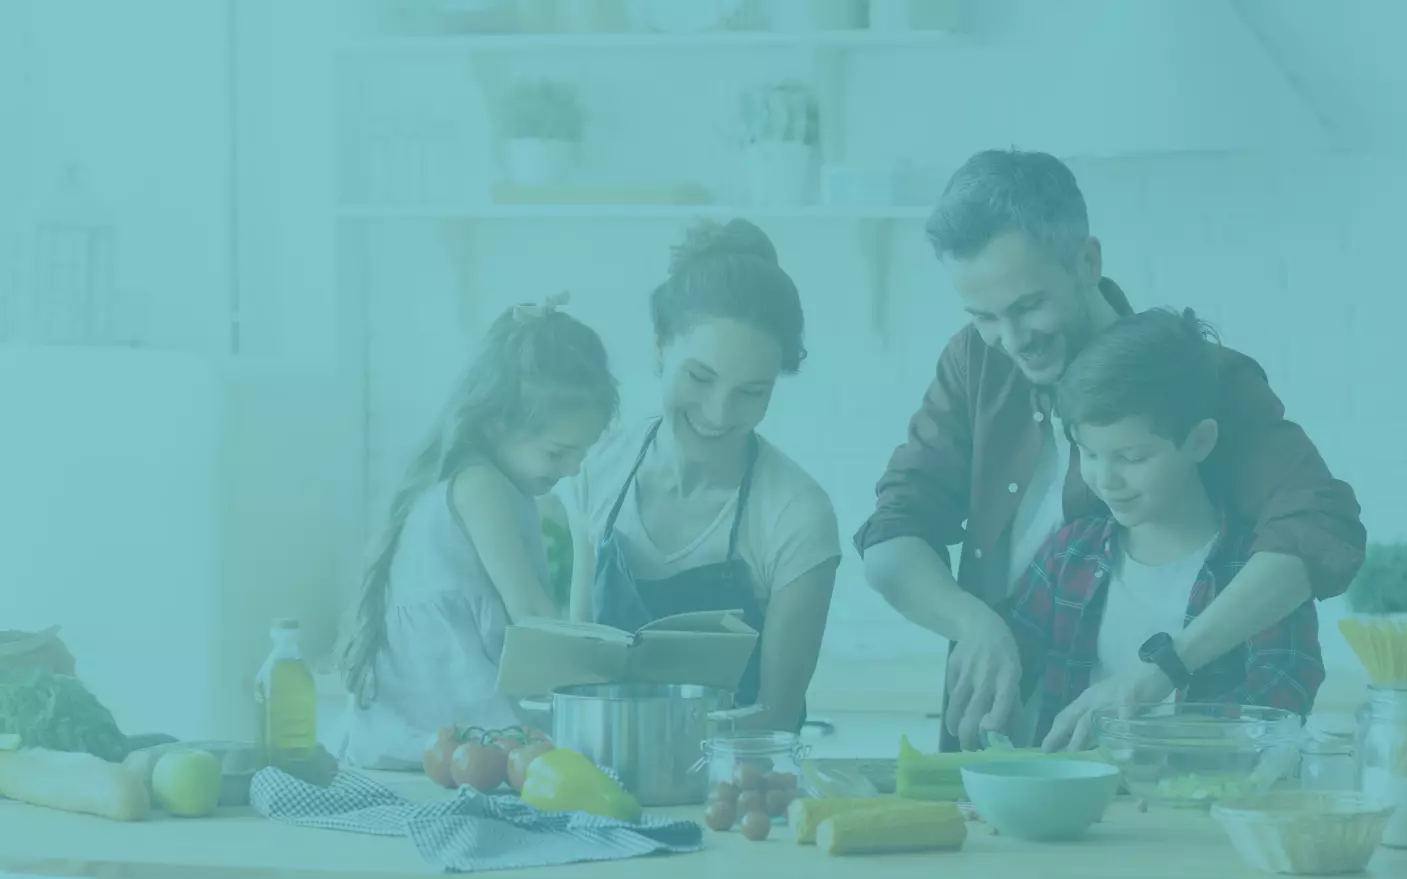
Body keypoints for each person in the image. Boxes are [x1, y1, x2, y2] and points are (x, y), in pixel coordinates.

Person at [855, 148, 1364, 751]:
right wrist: (972, 623)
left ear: (1088, 261)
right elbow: (891, 536)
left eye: (1028, 306)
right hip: (1008, 749)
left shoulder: (1195, 378)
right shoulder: (975, 361)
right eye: (984, 316)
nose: (1011, 340)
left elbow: (1318, 527)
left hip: (1168, 760)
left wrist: (1165, 671)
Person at [563, 219, 842, 732]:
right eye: (700, 377)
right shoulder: (596, 468)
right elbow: (581, 670)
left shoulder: (796, 514)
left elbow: (777, 716)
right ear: (660, 346)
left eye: (752, 392)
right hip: (599, 779)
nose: (719, 412)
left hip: (737, 788)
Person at [1005, 308, 1325, 751]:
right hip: (1075, 808)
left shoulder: (1257, 570)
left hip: (1203, 810)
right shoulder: (1067, 555)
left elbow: (1285, 697)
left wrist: (1149, 737)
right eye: (1089, 454)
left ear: (1199, 441)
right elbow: (1009, 666)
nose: (1105, 479)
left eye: (1133, 458)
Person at [329, 297, 619, 769]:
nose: (573, 468)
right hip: (450, 734)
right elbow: (533, 617)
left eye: (582, 452)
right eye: (558, 452)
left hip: (424, 739)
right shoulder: (482, 487)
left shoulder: (481, 481)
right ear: (496, 425)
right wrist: (612, 679)